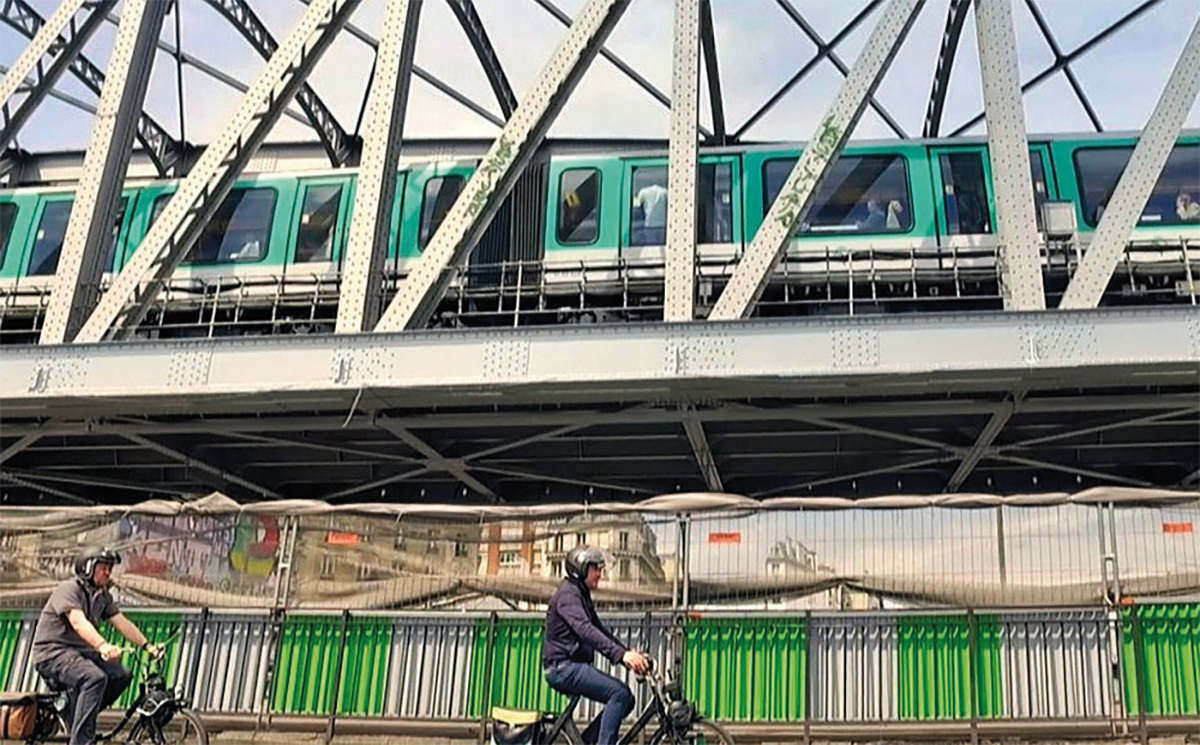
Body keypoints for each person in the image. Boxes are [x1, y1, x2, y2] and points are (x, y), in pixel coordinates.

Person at [32, 548, 162, 745]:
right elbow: (78, 622)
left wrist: (147, 645)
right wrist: (102, 645)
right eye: (104, 568)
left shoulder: (102, 596)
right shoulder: (69, 589)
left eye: (110, 568)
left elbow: (122, 623)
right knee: (94, 678)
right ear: (87, 568)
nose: (108, 573)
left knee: (121, 675)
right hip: (52, 653)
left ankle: (77, 715)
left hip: (78, 654)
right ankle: (82, 741)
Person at [543, 546, 651, 745]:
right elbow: (586, 630)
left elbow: (599, 629)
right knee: (618, 693)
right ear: (581, 569)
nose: (599, 574)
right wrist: (621, 655)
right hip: (562, 666)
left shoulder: (580, 595)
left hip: (571, 665)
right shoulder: (568, 596)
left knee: (627, 699)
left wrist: (626, 652)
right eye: (596, 569)